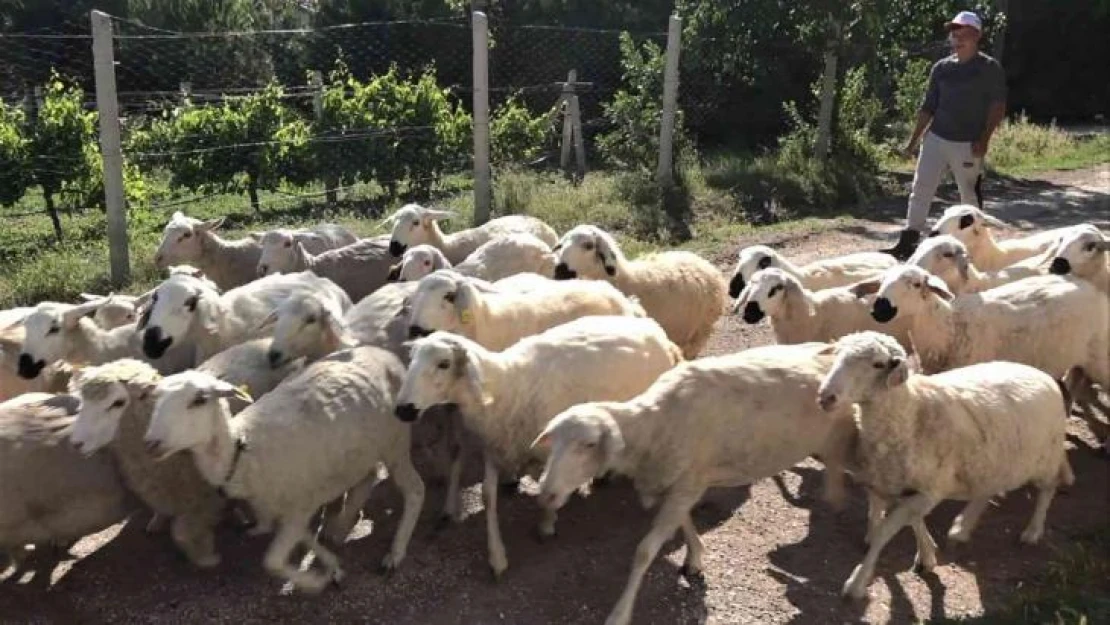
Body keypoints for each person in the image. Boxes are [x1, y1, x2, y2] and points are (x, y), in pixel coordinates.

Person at [881, 10, 1008, 260]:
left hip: (968, 144)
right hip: (937, 138)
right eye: (954, 33)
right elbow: (928, 107)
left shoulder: (989, 68)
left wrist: (984, 139)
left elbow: (997, 106)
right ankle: (908, 241)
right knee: (921, 188)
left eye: (963, 33)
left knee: (968, 195)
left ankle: (975, 246)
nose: (957, 38)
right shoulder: (941, 68)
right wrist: (913, 141)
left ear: (977, 36)